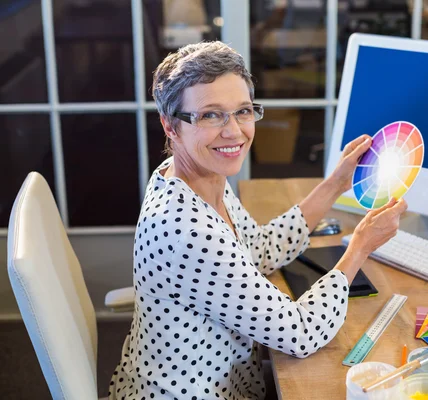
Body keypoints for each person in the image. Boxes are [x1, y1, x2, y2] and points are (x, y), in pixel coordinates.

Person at [109, 41, 407, 400]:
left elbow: (259, 249)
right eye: (210, 115)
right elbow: (299, 334)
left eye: (243, 111)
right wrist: (360, 247)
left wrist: (336, 184)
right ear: (171, 126)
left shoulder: (198, 177)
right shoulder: (186, 228)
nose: (233, 131)